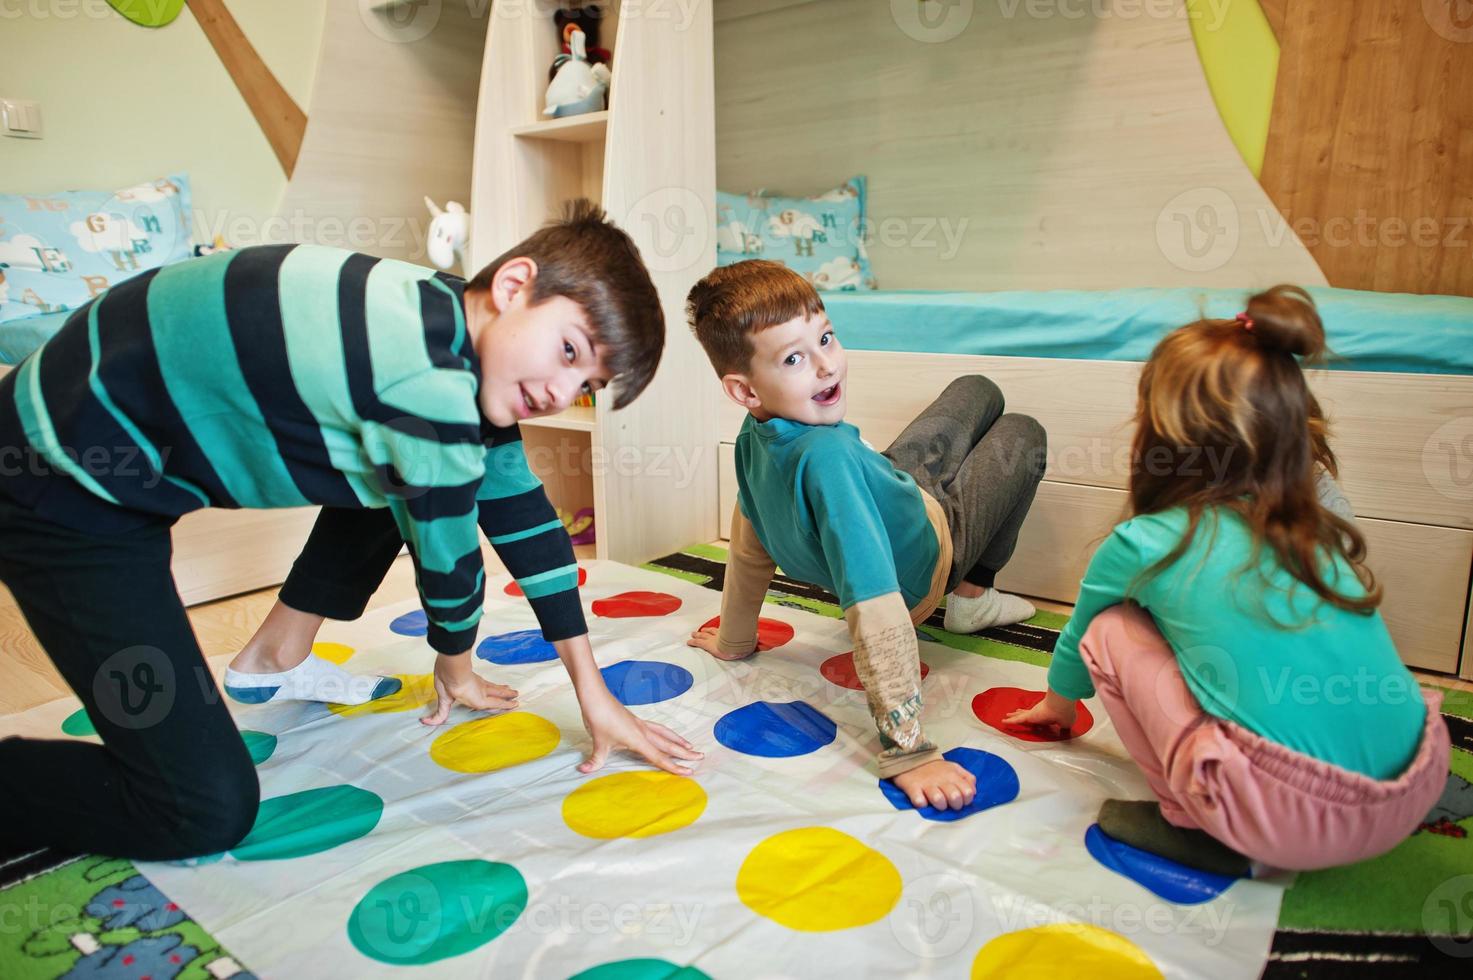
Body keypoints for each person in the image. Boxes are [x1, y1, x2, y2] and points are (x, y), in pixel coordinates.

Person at [0, 200, 700, 861]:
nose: (558, 391)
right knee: (199, 808)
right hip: (54, 486)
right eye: (569, 352)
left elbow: (524, 519)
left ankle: (275, 657)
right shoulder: (425, 396)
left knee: (402, 481)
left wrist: (592, 691)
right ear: (516, 286)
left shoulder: (444, 309)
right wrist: (453, 664)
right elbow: (450, 566)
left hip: (84, 425)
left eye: (584, 386)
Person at [1006, 285, 1448, 873]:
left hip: (1296, 823)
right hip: (1416, 781)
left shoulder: (1146, 542)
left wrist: (1058, 708)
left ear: (1161, 439)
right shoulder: (1311, 528)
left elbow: (1079, 642)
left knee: (1110, 630)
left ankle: (1193, 823)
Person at [685, 260, 1046, 811]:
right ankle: (971, 597)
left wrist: (735, 638)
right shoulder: (825, 459)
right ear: (745, 390)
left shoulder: (753, 438)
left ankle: (957, 550)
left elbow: (749, 539)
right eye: (794, 358)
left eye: (825, 337)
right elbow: (874, 604)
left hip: (894, 481)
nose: (827, 365)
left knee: (979, 387)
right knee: (1025, 433)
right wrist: (909, 752)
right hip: (933, 554)